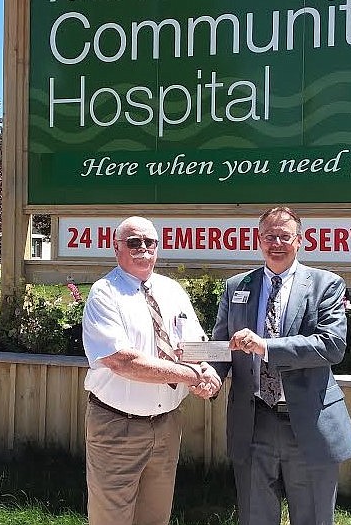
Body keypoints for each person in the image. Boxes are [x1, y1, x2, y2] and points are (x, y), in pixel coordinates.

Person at [211, 206, 351, 525]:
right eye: (269, 236)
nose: (276, 243)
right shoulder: (237, 286)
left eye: (284, 236)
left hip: (308, 421)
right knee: (254, 517)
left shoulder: (326, 285)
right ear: (257, 240)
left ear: (300, 240)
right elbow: (223, 346)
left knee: (312, 517)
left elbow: (331, 345)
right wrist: (209, 375)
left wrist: (266, 346)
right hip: (253, 421)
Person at [82, 216, 221, 525]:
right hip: (117, 426)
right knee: (111, 518)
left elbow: (194, 345)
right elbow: (122, 361)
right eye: (133, 242)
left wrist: (205, 372)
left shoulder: (172, 290)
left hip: (167, 426)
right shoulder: (105, 293)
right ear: (116, 248)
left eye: (149, 242)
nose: (142, 248)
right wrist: (189, 376)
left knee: (155, 517)